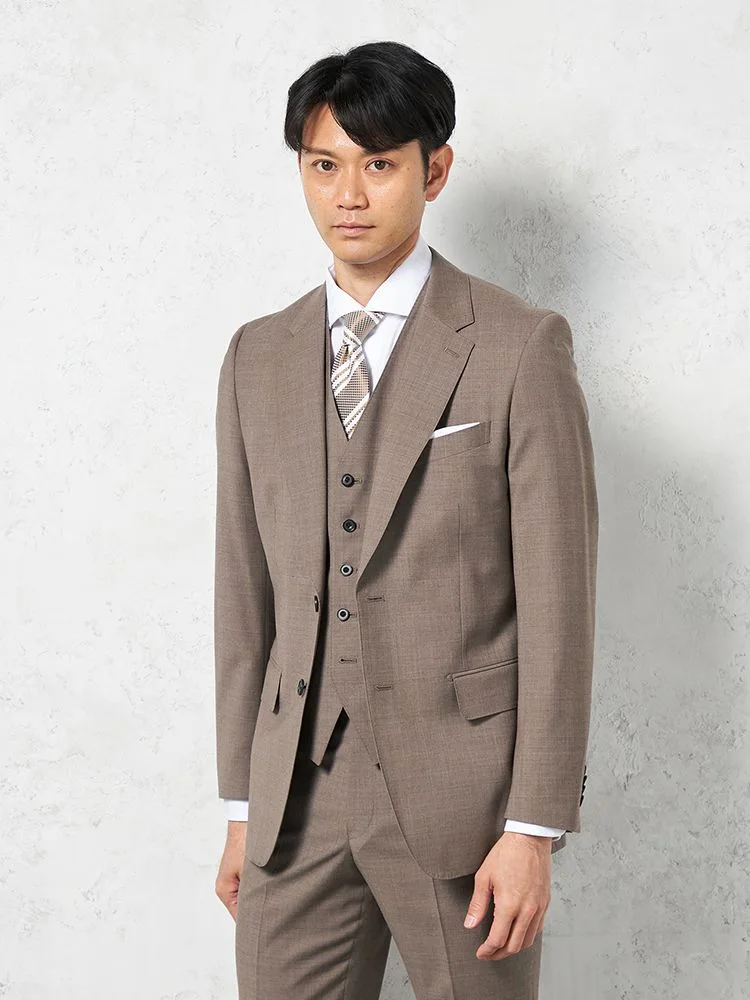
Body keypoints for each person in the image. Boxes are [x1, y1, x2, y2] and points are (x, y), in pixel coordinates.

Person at [213, 39, 598, 1000]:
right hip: (294, 799)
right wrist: (240, 803)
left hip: (466, 803)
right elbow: (242, 596)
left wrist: (532, 826)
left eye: (378, 165)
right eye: (324, 165)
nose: (348, 195)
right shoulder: (257, 356)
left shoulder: (518, 346)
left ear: (435, 171)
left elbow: (560, 606)